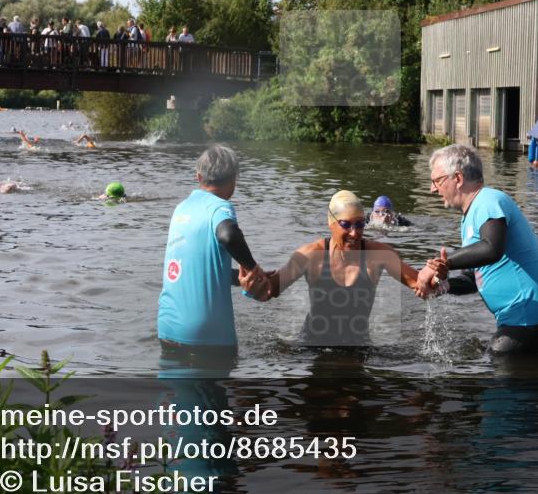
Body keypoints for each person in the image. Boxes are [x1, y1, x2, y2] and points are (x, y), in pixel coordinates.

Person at [418, 144, 538, 355]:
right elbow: (476, 277)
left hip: (531, 317)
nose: (433, 189)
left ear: (458, 179)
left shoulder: (488, 200)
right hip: (527, 317)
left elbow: (491, 249)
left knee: (496, 365)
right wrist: (445, 286)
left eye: (437, 181)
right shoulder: (472, 214)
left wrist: (441, 263)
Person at [255, 191, 435, 347]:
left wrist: (435, 277)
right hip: (312, 345)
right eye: (346, 224)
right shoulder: (309, 255)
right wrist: (252, 284)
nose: (354, 233)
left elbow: (419, 283)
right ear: (330, 222)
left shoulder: (380, 254)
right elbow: (270, 290)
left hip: (358, 346)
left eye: (359, 224)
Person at [157, 144, 268, 357]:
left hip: (168, 329)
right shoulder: (219, 207)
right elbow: (228, 235)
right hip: (208, 337)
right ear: (234, 178)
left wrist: (240, 278)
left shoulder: (181, 209)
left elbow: (202, 270)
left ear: (198, 177)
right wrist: (253, 269)